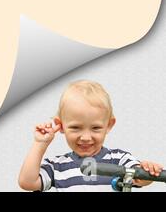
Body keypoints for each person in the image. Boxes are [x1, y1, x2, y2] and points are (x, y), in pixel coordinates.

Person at [18, 80, 163, 191]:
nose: (86, 137)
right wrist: (40, 144)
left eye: (95, 128)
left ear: (109, 125)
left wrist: (148, 170)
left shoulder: (119, 159)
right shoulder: (57, 166)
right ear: (60, 125)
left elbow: (140, 179)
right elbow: (27, 182)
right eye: (76, 128)